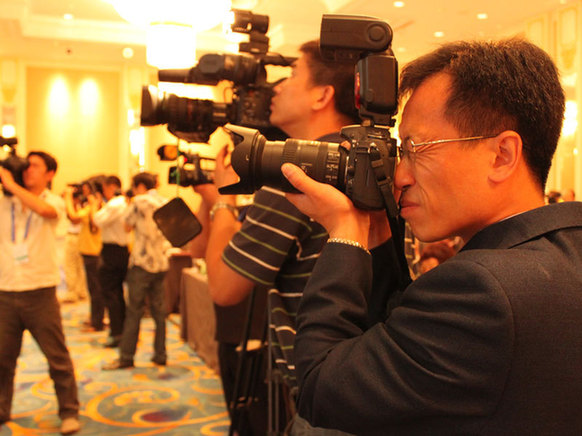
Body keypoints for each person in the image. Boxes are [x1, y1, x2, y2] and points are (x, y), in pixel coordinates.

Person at [279, 38, 582, 434]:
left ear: (502, 155)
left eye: (418, 149)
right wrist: (378, 238)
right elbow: (397, 340)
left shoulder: (484, 291)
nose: (400, 176)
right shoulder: (562, 251)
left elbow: (322, 389)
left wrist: (345, 235)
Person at [195, 39, 359, 433]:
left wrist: (222, 200)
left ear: (323, 95)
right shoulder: (361, 160)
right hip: (365, 371)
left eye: (293, 75)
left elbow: (223, 288)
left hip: (321, 383)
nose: (277, 87)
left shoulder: (293, 176)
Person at [0, 151, 80, 434]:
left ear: (49, 174)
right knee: (2, 360)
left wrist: (11, 185)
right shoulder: (4, 201)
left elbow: (46, 213)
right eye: (26, 165)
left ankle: (69, 412)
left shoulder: (53, 201)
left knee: (57, 358)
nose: (27, 170)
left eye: (35, 166)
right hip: (5, 292)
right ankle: (1, 409)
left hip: (40, 294)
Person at [103, 172, 170, 369]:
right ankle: (161, 354)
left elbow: (126, 227)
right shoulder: (165, 201)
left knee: (134, 312)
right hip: (161, 262)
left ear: (139, 185)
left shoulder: (138, 201)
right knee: (159, 313)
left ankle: (126, 357)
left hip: (141, 263)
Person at [92, 175, 129, 348]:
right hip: (121, 250)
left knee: (110, 293)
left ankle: (117, 333)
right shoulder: (125, 203)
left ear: (112, 186)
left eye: (105, 188)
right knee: (118, 293)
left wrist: (94, 206)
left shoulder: (115, 204)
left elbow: (97, 220)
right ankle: (120, 331)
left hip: (112, 251)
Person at [64, 178, 104, 331]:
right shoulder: (94, 206)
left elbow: (74, 217)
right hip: (90, 251)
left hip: (93, 252)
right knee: (94, 289)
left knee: (96, 290)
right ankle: (95, 319)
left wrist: (68, 197)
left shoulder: (95, 207)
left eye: (88, 191)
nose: (85, 194)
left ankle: (97, 323)